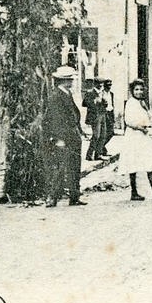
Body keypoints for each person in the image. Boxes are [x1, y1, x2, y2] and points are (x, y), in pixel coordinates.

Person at [43, 65, 87, 207]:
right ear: (63, 80)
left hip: (73, 135)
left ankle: (74, 196)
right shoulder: (56, 97)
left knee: (74, 166)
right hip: (63, 137)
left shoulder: (67, 94)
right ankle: (52, 197)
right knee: (60, 167)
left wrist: (79, 130)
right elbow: (55, 120)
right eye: (70, 79)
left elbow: (73, 114)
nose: (72, 81)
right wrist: (59, 139)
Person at [118, 80, 152, 201]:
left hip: (143, 137)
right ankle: (134, 192)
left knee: (149, 161)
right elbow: (129, 121)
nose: (139, 92)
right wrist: (141, 128)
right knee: (132, 163)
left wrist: (146, 109)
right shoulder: (131, 103)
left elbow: (150, 118)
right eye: (136, 89)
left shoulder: (142, 103)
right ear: (132, 91)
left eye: (141, 89)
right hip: (134, 136)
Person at [85, 80, 107, 161]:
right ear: (95, 84)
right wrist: (94, 101)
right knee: (96, 136)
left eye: (102, 83)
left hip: (102, 115)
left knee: (103, 135)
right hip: (95, 116)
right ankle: (89, 154)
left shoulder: (102, 93)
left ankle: (98, 154)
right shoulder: (90, 92)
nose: (101, 85)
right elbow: (85, 103)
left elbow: (105, 104)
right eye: (99, 83)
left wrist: (104, 101)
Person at [101, 79, 115, 155]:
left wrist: (113, 115)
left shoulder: (111, 94)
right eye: (108, 85)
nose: (109, 86)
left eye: (110, 85)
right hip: (104, 113)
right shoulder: (102, 94)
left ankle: (102, 146)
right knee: (104, 132)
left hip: (110, 113)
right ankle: (102, 149)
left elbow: (112, 104)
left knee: (111, 132)